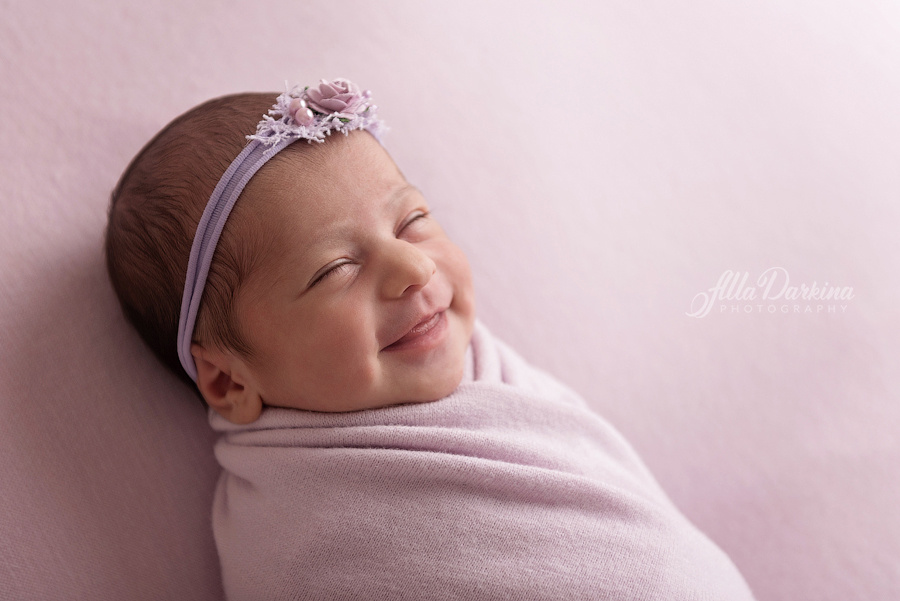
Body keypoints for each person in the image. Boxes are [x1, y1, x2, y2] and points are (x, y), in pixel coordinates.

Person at [106, 78, 756, 600]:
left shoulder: (483, 367)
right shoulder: (294, 533)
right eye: (336, 268)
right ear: (230, 379)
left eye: (413, 220)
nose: (414, 268)